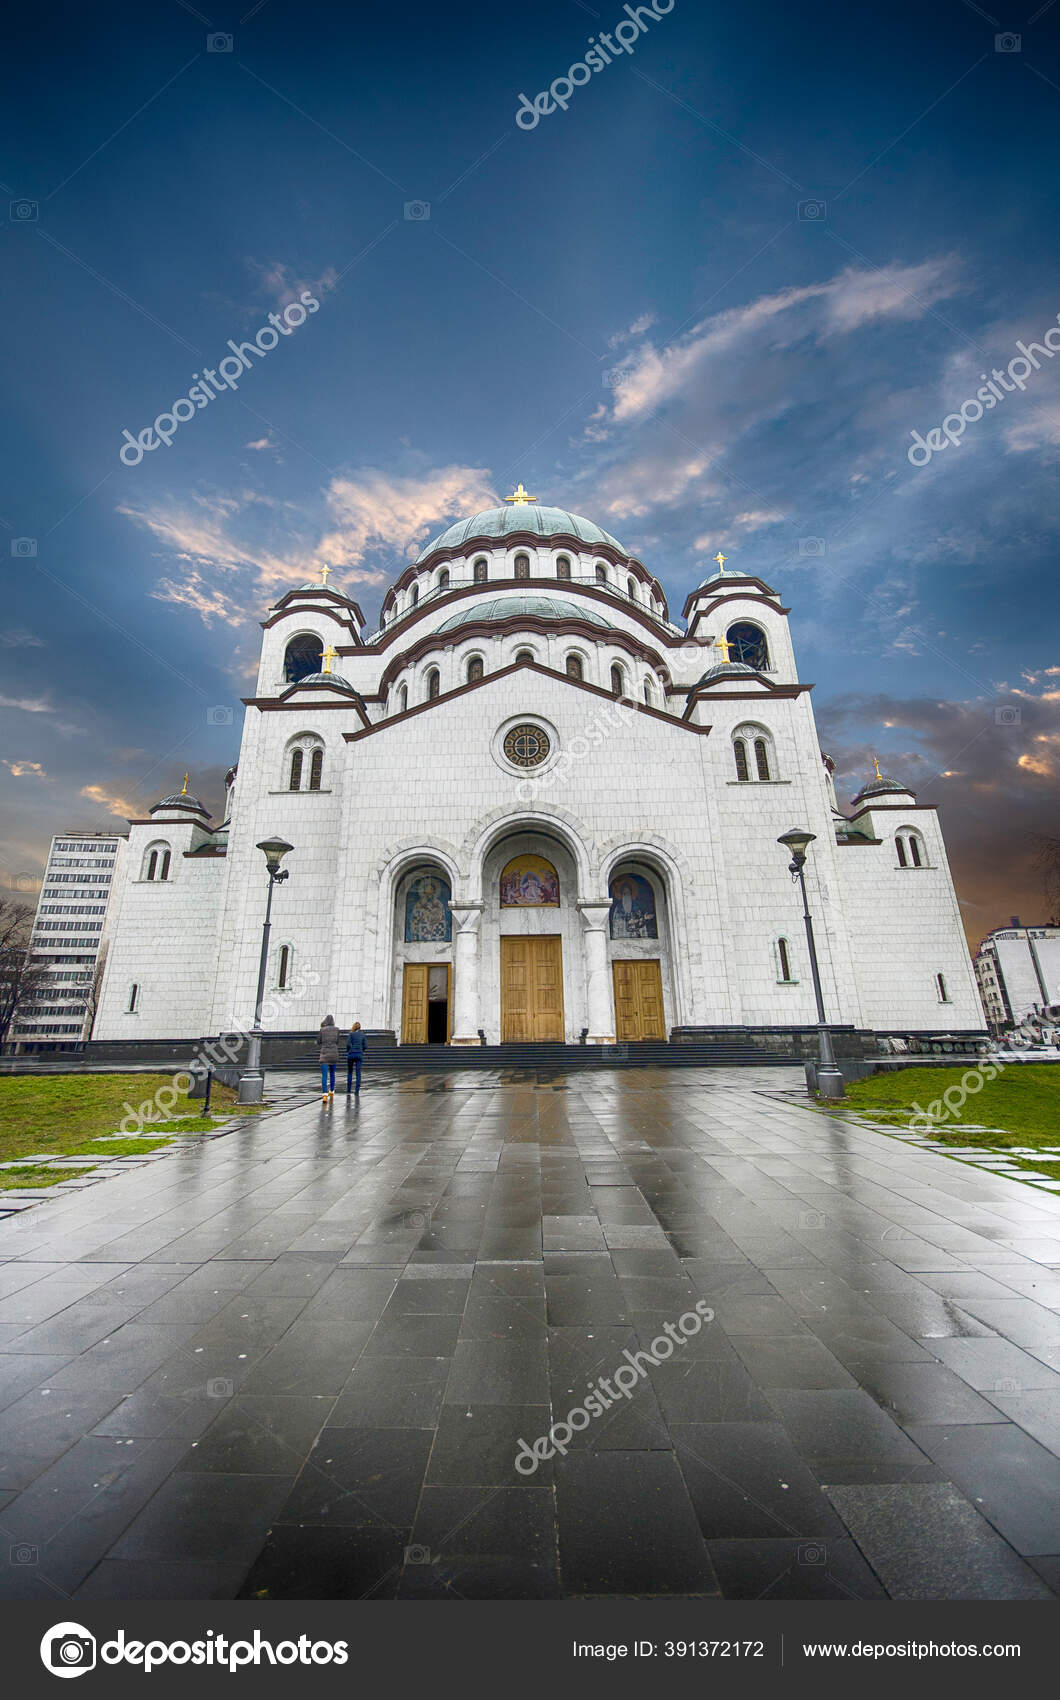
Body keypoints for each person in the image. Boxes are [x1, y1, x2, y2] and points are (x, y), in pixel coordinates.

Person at [318, 1014, 341, 1102]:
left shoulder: (322, 1030)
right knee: (332, 1073)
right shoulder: (337, 1029)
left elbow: (319, 1041)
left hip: (324, 1054)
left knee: (324, 1075)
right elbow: (337, 1041)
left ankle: (324, 1094)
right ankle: (331, 1091)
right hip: (334, 1054)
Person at [346, 1021, 367, 1096]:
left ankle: (348, 1089)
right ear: (360, 1027)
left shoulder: (351, 1034)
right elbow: (365, 1046)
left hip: (351, 1054)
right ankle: (357, 1091)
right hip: (359, 1055)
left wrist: (349, 1051)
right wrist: (361, 1050)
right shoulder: (362, 1035)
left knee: (350, 1072)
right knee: (358, 1073)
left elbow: (348, 1045)